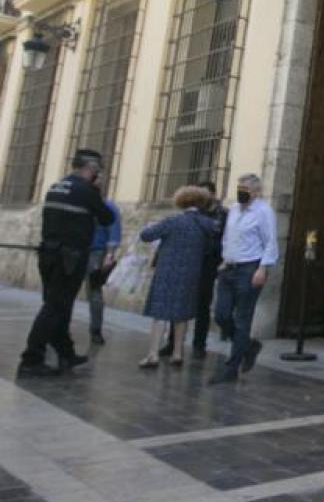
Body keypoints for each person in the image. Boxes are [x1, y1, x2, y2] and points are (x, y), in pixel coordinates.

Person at [18, 149, 116, 377]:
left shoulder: (56, 187)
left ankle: (66, 353)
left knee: (57, 306)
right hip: (69, 258)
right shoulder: (86, 191)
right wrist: (97, 192)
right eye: (97, 171)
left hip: (49, 255)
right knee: (54, 308)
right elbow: (107, 218)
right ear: (90, 169)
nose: (98, 175)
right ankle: (31, 358)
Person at [137, 186, 219, 368]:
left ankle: (153, 354)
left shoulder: (173, 221)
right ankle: (177, 353)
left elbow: (146, 236)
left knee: (159, 314)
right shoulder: (207, 224)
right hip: (192, 273)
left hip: (167, 271)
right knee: (182, 315)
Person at [209, 173, 279, 385]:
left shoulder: (263, 212)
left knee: (242, 319)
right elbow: (229, 237)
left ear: (256, 192)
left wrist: (263, 268)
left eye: (246, 189)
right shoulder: (233, 210)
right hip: (229, 268)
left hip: (249, 269)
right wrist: (224, 259)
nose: (241, 192)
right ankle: (248, 346)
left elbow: (270, 242)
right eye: (239, 187)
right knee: (221, 315)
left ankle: (232, 367)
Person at [160, 180, 227, 360]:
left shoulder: (220, 214)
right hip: (188, 261)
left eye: (204, 195)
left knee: (202, 306)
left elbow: (219, 236)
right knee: (178, 302)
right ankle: (173, 343)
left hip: (207, 263)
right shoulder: (191, 212)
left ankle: (199, 345)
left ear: (212, 194)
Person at [86, 181, 122, 345]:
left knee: (94, 292)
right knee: (92, 292)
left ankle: (96, 330)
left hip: (95, 252)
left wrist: (109, 255)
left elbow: (113, 233)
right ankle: (95, 331)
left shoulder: (107, 206)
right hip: (85, 251)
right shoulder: (103, 205)